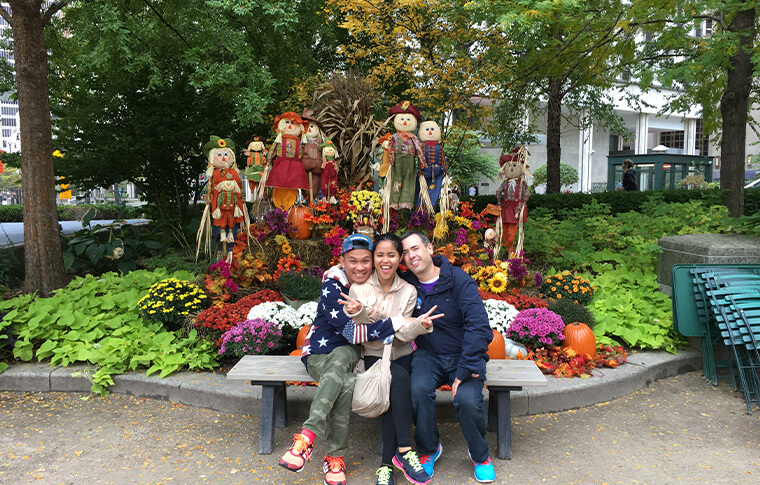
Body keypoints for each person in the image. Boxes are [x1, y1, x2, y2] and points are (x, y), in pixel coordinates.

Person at [279, 233, 433, 485]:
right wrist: (394, 322)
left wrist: (414, 325)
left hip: (353, 352)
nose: (360, 267)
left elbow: (364, 339)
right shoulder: (335, 285)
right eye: (353, 261)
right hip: (323, 353)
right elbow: (354, 333)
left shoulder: (400, 288)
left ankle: (316, 445)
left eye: (365, 261)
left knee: (348, 377)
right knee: (342, 374)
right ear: (342, 261)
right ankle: (324, 448)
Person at [400, 231, 496, 483]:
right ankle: (429, 449)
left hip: (463, 355)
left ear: (429, 248)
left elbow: (479, 325)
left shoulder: (458, 279)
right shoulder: (407, 282)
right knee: (417, 389)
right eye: (406, 253)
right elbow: (378, 274)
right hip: (427, 355)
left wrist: (465, 369)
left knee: (466, 399)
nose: (411, 256)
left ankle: (480, 456)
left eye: (415, 249)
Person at [341, 233, 434, 485]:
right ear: (374, 258)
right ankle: (404, 450)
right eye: (379, 255)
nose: (385, 260)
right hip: (372, 356)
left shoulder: (409, 291)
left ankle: (385, 466)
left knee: (397, 379)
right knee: (397, 380)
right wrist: (360, 314)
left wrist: (418, 326)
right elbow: (361, 334)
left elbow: (402, 334)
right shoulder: (358, 288)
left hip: (401, 354)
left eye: (391, 255)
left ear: (399, 259)